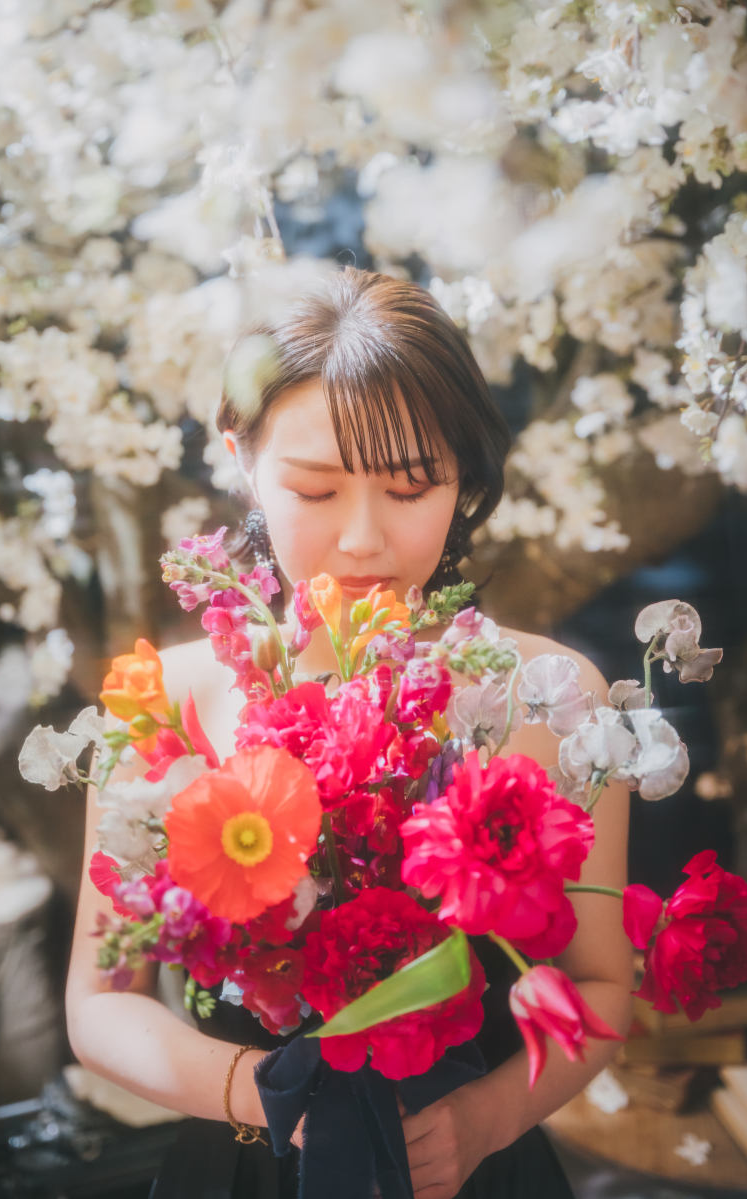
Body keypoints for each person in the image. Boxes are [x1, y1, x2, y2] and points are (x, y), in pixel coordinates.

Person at [66, 268, 633, 1199]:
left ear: (465, 474)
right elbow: (98, 1004)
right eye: (317, 489)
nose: (364, 539)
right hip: (243, 1166)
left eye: (412, 487)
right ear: (241, 455)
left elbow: (603, 987)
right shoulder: (163, 697)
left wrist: (486, 1119)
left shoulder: (550, 696)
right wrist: (258, 1090)